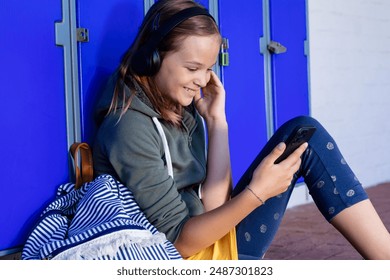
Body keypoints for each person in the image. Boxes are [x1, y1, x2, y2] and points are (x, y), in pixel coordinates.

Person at [93, 0, 390, 260]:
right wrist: (257, 193)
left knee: (304, 131)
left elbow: (214, 203)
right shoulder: (128, 128)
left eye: (209, 68)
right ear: (153, 58)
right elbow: (179, 245)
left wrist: (216, 123)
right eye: (193, 67)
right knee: (305, 136)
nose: (203, 79)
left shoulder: (180, 108)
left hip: (212, 237)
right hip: (197, 258)